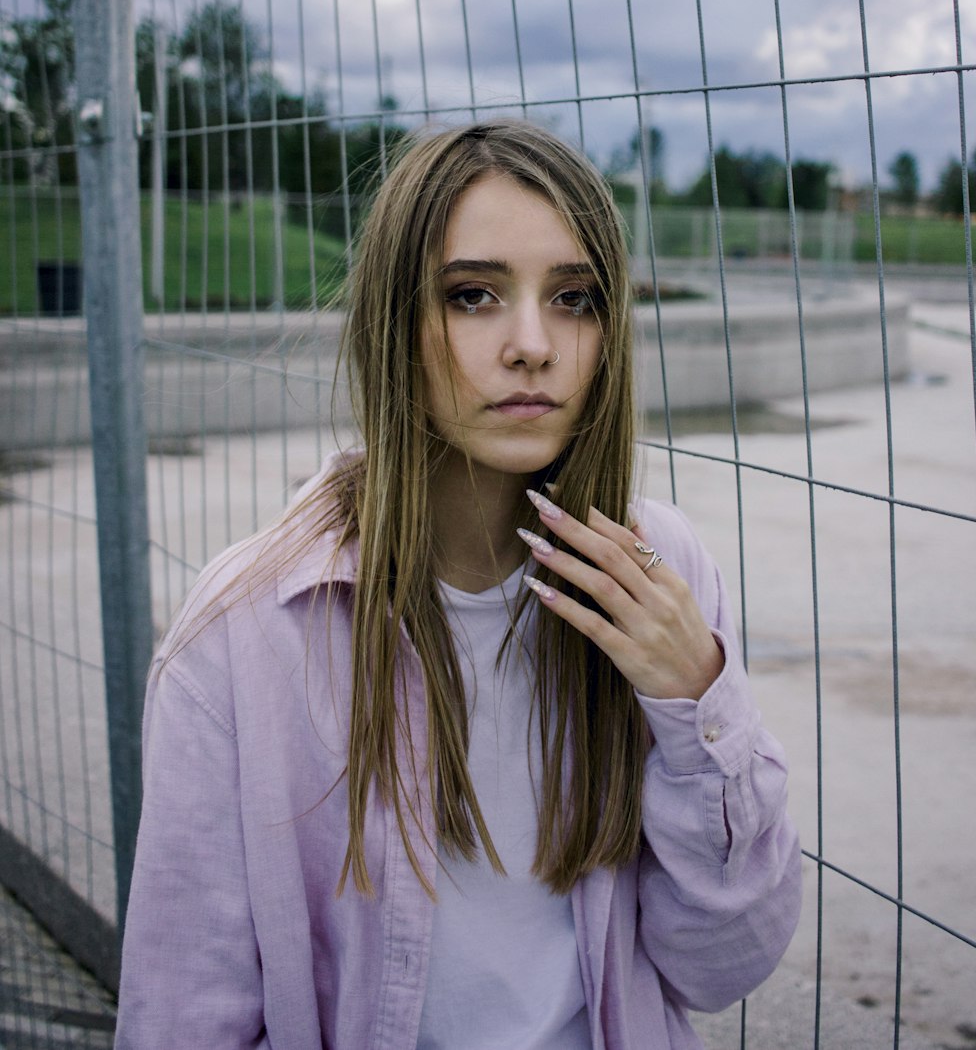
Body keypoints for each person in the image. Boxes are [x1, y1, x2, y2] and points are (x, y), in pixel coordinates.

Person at [115, 119, 801, 1050]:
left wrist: (696, 704)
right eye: (473, 295)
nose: (532, 346)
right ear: (394, 321)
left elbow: (720, 969)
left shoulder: (661, 575)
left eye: (575, 298)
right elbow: (186, 1014)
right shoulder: (241, 634)